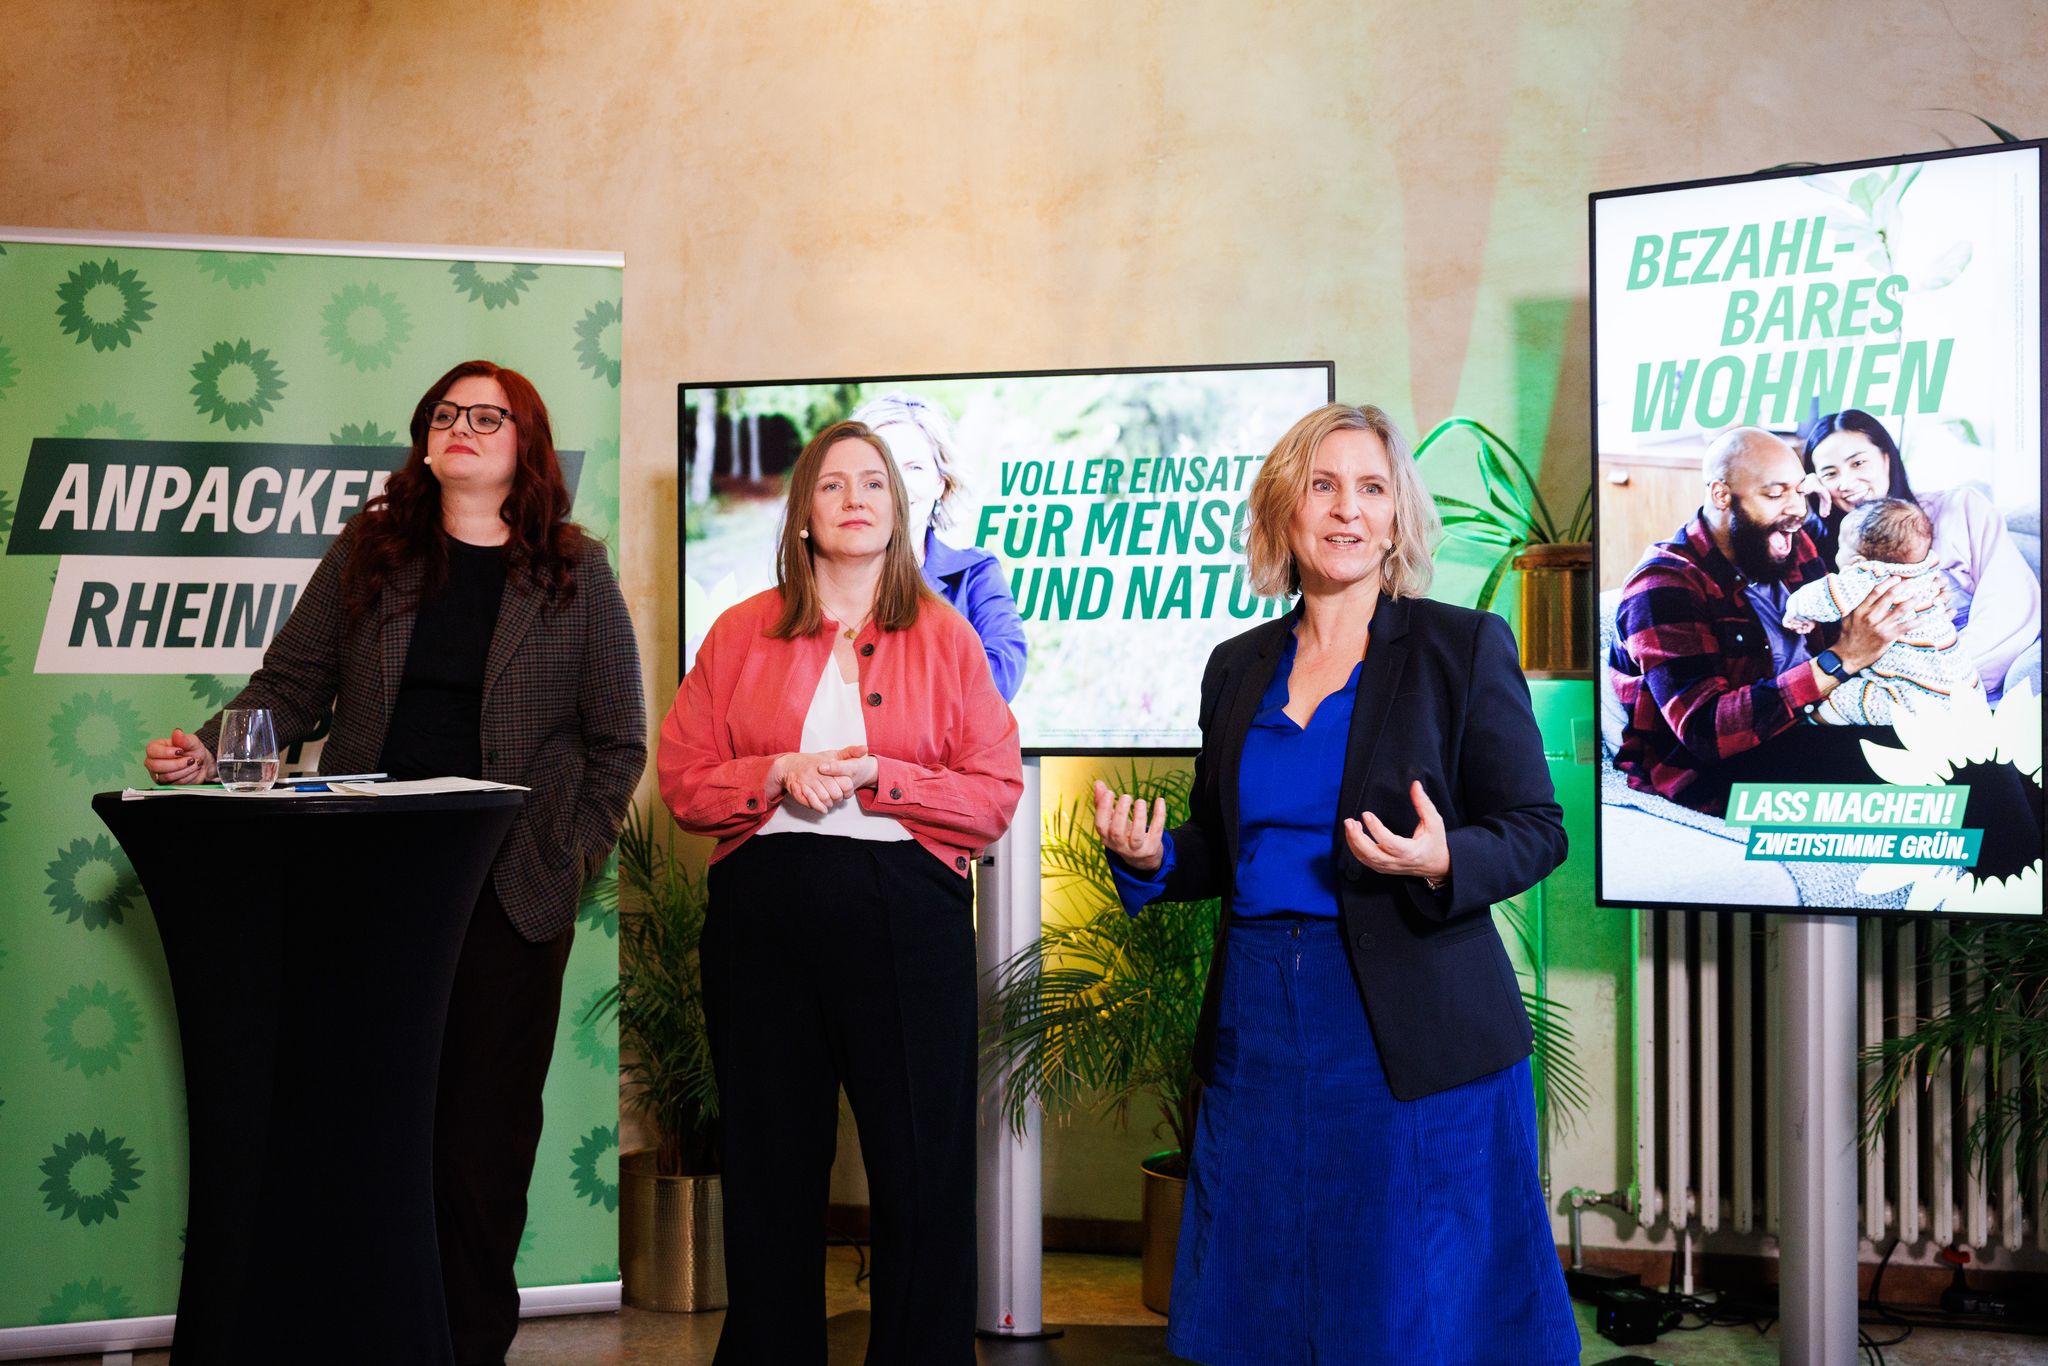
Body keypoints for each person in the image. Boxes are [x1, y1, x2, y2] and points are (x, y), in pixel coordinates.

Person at [142, 360, 646, 1366]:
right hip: (373, 885)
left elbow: (618, 741)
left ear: (524, 445)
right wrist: (210, 747)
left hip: (508, 889)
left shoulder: (573, 574)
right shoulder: (374, 550)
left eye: (487, 416)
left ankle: (464, 1347)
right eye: (446, 414)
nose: (463, 427)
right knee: (368, 1130)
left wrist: (565, 856)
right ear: (425, 440)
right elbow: (289, 684)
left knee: (480, 1143)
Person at [1095, 402, 1578, 1363]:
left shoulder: (1461, 647)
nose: (1347, 510)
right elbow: (1224, 848)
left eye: (1371, 488)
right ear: (1286, 511)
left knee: (1407, 1294)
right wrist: (1152, 859)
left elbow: (1536, 829)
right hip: (1259, 1024)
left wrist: (1447, 859)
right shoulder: (1236, 667)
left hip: (1409, 1019)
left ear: (1398, 516)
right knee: (1257, 1282)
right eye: (1323, 486)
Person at [658, 419, 1022, 1366]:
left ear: (902, 511)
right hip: (763, 912)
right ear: (805, 515)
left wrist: (880, 779)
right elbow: (684, 778)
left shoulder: (948, 637)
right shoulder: (740, 630)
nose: (855, 497)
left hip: (907, 908)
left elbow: (993, 795)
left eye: (875, 483)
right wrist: (774, 771)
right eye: (832, 485)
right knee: (771, 1167)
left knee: (921, 1169)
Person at [1612, 425, 1916, 814]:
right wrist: (1840, 660)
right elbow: (1706, 731)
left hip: (1814, 722)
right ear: (1721, 494)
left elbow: (1841, 625)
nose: (1797, 511)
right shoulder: (1664, 584)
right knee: (1945, 768)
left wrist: (1903, 603)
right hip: (1722, 768)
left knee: (1975, 741)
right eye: (1775, 494)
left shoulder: (1792, 544)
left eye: (1799, 491)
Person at [1802, 408, 2040, 700]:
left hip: (1969, 683)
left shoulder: (1960, 509)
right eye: (1830, 474)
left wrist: (1946, 682)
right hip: (1886, 695)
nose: (1846, 483)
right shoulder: (1819, 551)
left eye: (1859, 463)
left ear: (1886, 458)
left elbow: (2010, 607)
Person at [848, 393, 1027, 699]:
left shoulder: (976, 575)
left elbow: (998, 681)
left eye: (914, 468)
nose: (898, 485)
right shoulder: (826, 582)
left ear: (941, 482)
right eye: (881, 469)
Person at [1782, 498, 1979, 725]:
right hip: (1965, 690)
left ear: (1857, 560)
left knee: (1847, 698)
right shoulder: (1927, 571)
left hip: (1914, 700)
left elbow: (1821, 598)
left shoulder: (1869, 576)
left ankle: (1810, 723)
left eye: (1839, 547)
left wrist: (1796, 610)